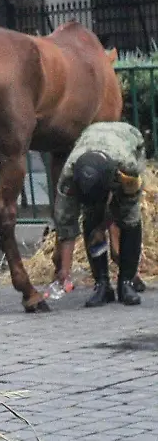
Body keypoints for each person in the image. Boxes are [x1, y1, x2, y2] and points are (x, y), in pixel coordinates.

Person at [50, 120, 145, 307]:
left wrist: (104, 225)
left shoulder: (128, 168)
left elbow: (127, 209)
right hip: (92, 137)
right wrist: (65, 271)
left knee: (129, 220)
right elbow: (66, 223)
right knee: (91, 219)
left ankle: (126, 283)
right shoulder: (69, 175)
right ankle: (102, 284)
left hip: (127, 140)